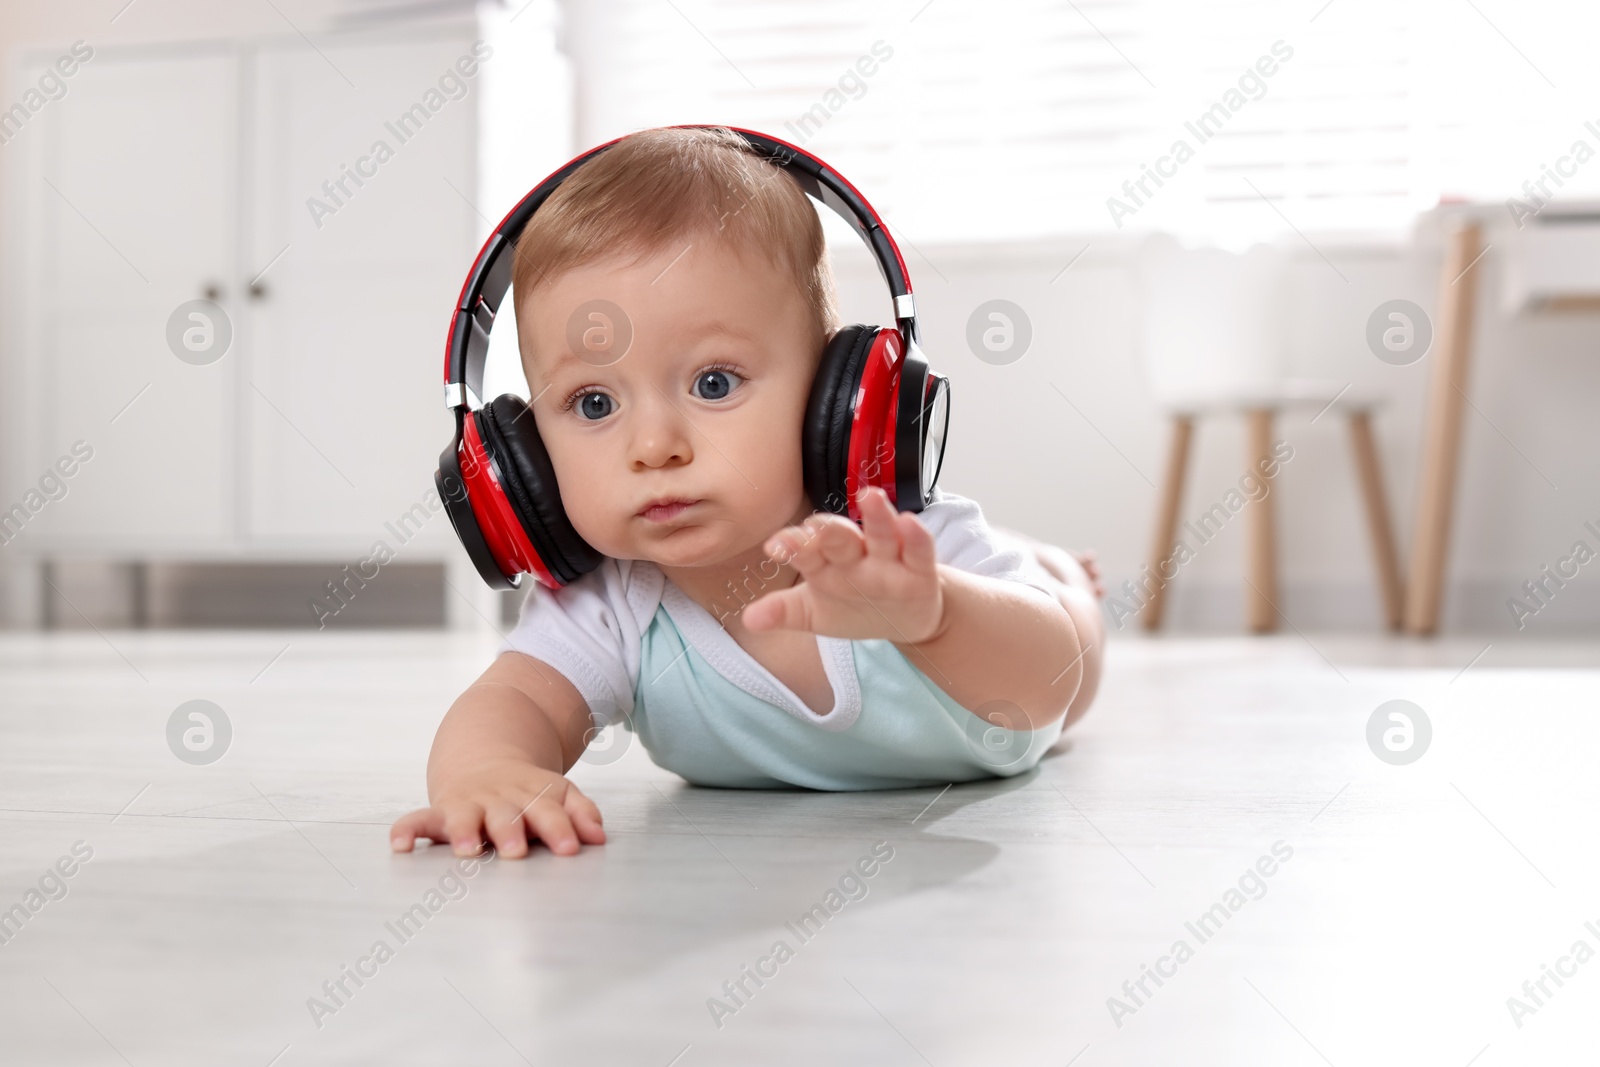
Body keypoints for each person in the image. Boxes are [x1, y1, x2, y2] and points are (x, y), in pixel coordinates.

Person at [391, 127, 1104, 859]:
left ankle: (1058, 572)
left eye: (714, 383)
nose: (654, 446)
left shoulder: (898, 545)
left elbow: (1046, 684)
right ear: (525, 451)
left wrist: (937, 613)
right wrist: (489, 771)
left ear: (837, 397)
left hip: (1008, 700)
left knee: (1071, 631)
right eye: (594, 403)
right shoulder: (613, 602)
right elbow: (515, 702)